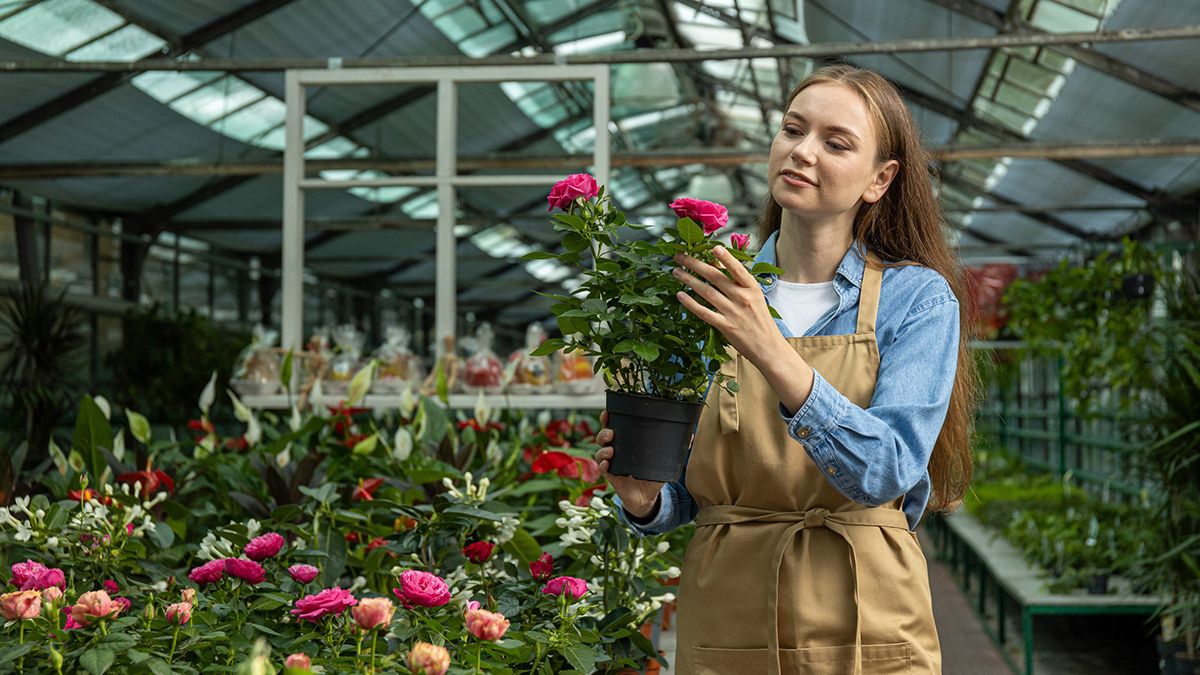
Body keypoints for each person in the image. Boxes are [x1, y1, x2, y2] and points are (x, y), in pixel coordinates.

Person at [594, 64, 977, 674]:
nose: (802, 151)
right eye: (792, 130)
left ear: (880, 179)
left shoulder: (918, 300)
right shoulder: (706, 292)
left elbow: (888, 469)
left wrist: (768, 346)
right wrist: (643, 500)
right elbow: (685, 495)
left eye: (835, 142)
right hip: (731, 608)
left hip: (865, 611)